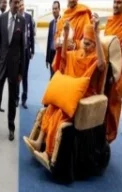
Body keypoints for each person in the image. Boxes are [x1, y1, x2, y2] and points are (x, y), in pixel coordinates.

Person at [27, 20, 105, 159]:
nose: (85, 46)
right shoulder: (77, 54)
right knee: (51, 108)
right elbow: (63, 58)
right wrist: (67, 33)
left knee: (59, 116)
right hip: (68, 93)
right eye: (84, 42)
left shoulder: (94, 58)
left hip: (82, 97)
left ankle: (48, 153)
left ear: (94, 45)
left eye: (89, 44)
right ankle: (39, 142)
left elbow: (101, 65)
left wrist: (98, 35)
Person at [0, 0, 26, 141]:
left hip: (14, 69)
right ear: (10, 3)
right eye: (15, 2)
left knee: (12, 100)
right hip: (1, 66)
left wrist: (21, 71)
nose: (17, 5)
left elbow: (22, 48)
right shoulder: (2, 19)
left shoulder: (21, 21)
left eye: (19, 2)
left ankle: (11, 128)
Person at [51, 0, 93, 71]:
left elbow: (89, 41)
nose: (72, 0)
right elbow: (57, 37)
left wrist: (75, 45)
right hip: (63, 60)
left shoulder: (84, 15)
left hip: (77, 60)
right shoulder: (64, 17)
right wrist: (57, 42)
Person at [103, 0, 122, 143]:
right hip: (106, 72)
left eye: (119, 2)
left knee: (113, 106)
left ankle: (109, 137)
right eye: (115, 2)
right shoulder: (109, 21)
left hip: (118, 74)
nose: (116, 5)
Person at [18, 0, 35, 109]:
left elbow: (32, 35)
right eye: (20, 5)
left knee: (25, 76)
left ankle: (24, 99)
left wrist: (32, 50)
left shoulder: (29, 17)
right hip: (17, 53)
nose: (21, 7)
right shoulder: (16, 18)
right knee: (17, 76)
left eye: (23, 5)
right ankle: (15, 99)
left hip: (26, 52)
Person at [46, 1, 61, 78]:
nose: (54, 11)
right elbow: (49, 41)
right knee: (51, 75)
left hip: (58, 53)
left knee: (57, 75)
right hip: (51, 53)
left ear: (59, 9)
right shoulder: (51, 23)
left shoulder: (63, 22)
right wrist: (47, 58)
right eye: (53, 9)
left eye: (56, 8)